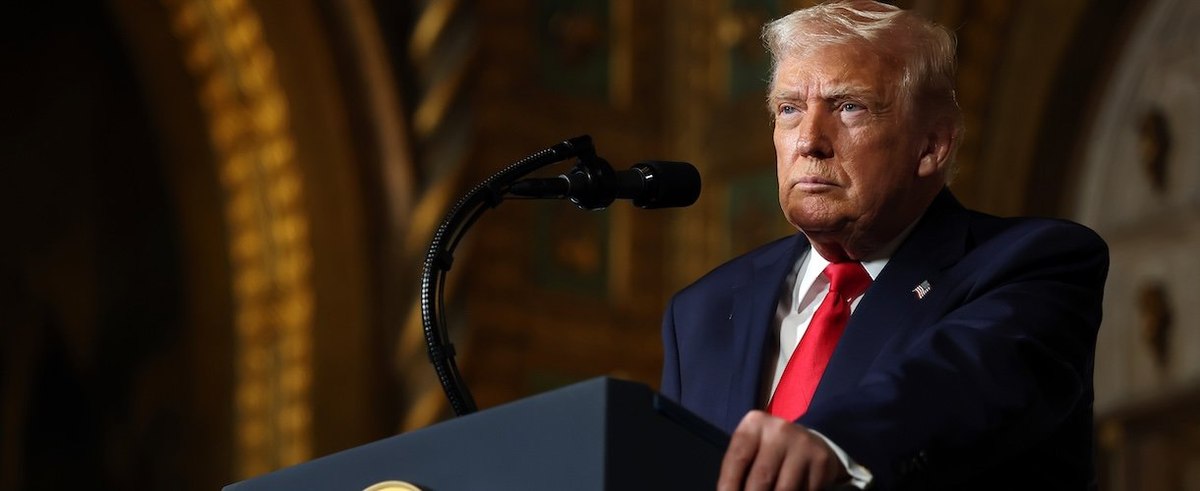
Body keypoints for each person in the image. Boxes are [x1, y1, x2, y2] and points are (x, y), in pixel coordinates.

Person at [658, 1, 1109, 489]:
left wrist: (833, 444)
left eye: (849, 106)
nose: (809, 140)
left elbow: (956, 383)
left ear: (931, 146)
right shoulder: (701, 312)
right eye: (789, 109)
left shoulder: (1036, 263)